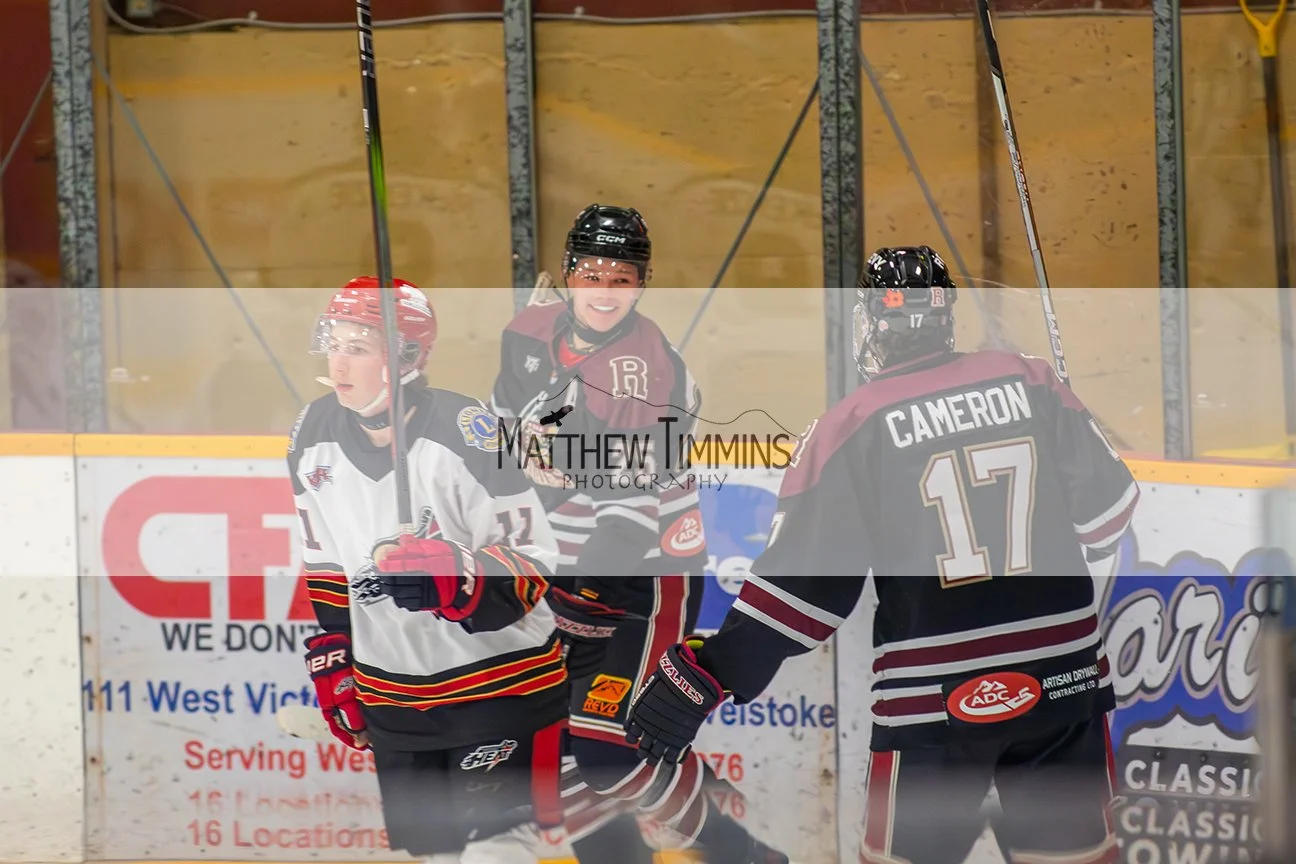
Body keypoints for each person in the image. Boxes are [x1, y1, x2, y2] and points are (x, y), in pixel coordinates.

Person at [626, 246, 1139, 864]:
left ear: (871, 321)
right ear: (945, 314)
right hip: (1064, 678)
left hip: (935, 700)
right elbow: (1108, 520)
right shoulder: (1032, 380)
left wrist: (711, 674)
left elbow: (801, 596)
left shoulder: (851, 426)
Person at [490, 204, 787, 864]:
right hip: (568, 561)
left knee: (607, 753)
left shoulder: (645, 373)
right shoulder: (528, 333)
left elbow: (625, 522)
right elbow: (500, 438)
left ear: (642, 284)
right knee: (544, 750)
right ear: (568, 273)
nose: (605, 292)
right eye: (592, 274)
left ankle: (744, 853)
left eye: (621, 279)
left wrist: (579, 608)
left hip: (642, 577)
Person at [289, 277, 568, 864]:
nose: (338, 363)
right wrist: (339, 648)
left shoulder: (467, 431)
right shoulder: (311, 434)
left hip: (501, 685)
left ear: (407, 356)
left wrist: (459, 580)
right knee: (433, 855)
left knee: (499, 849)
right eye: (334, 345)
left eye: (358, 348)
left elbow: (534, 557)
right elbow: (326, 562)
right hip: (394, 694)